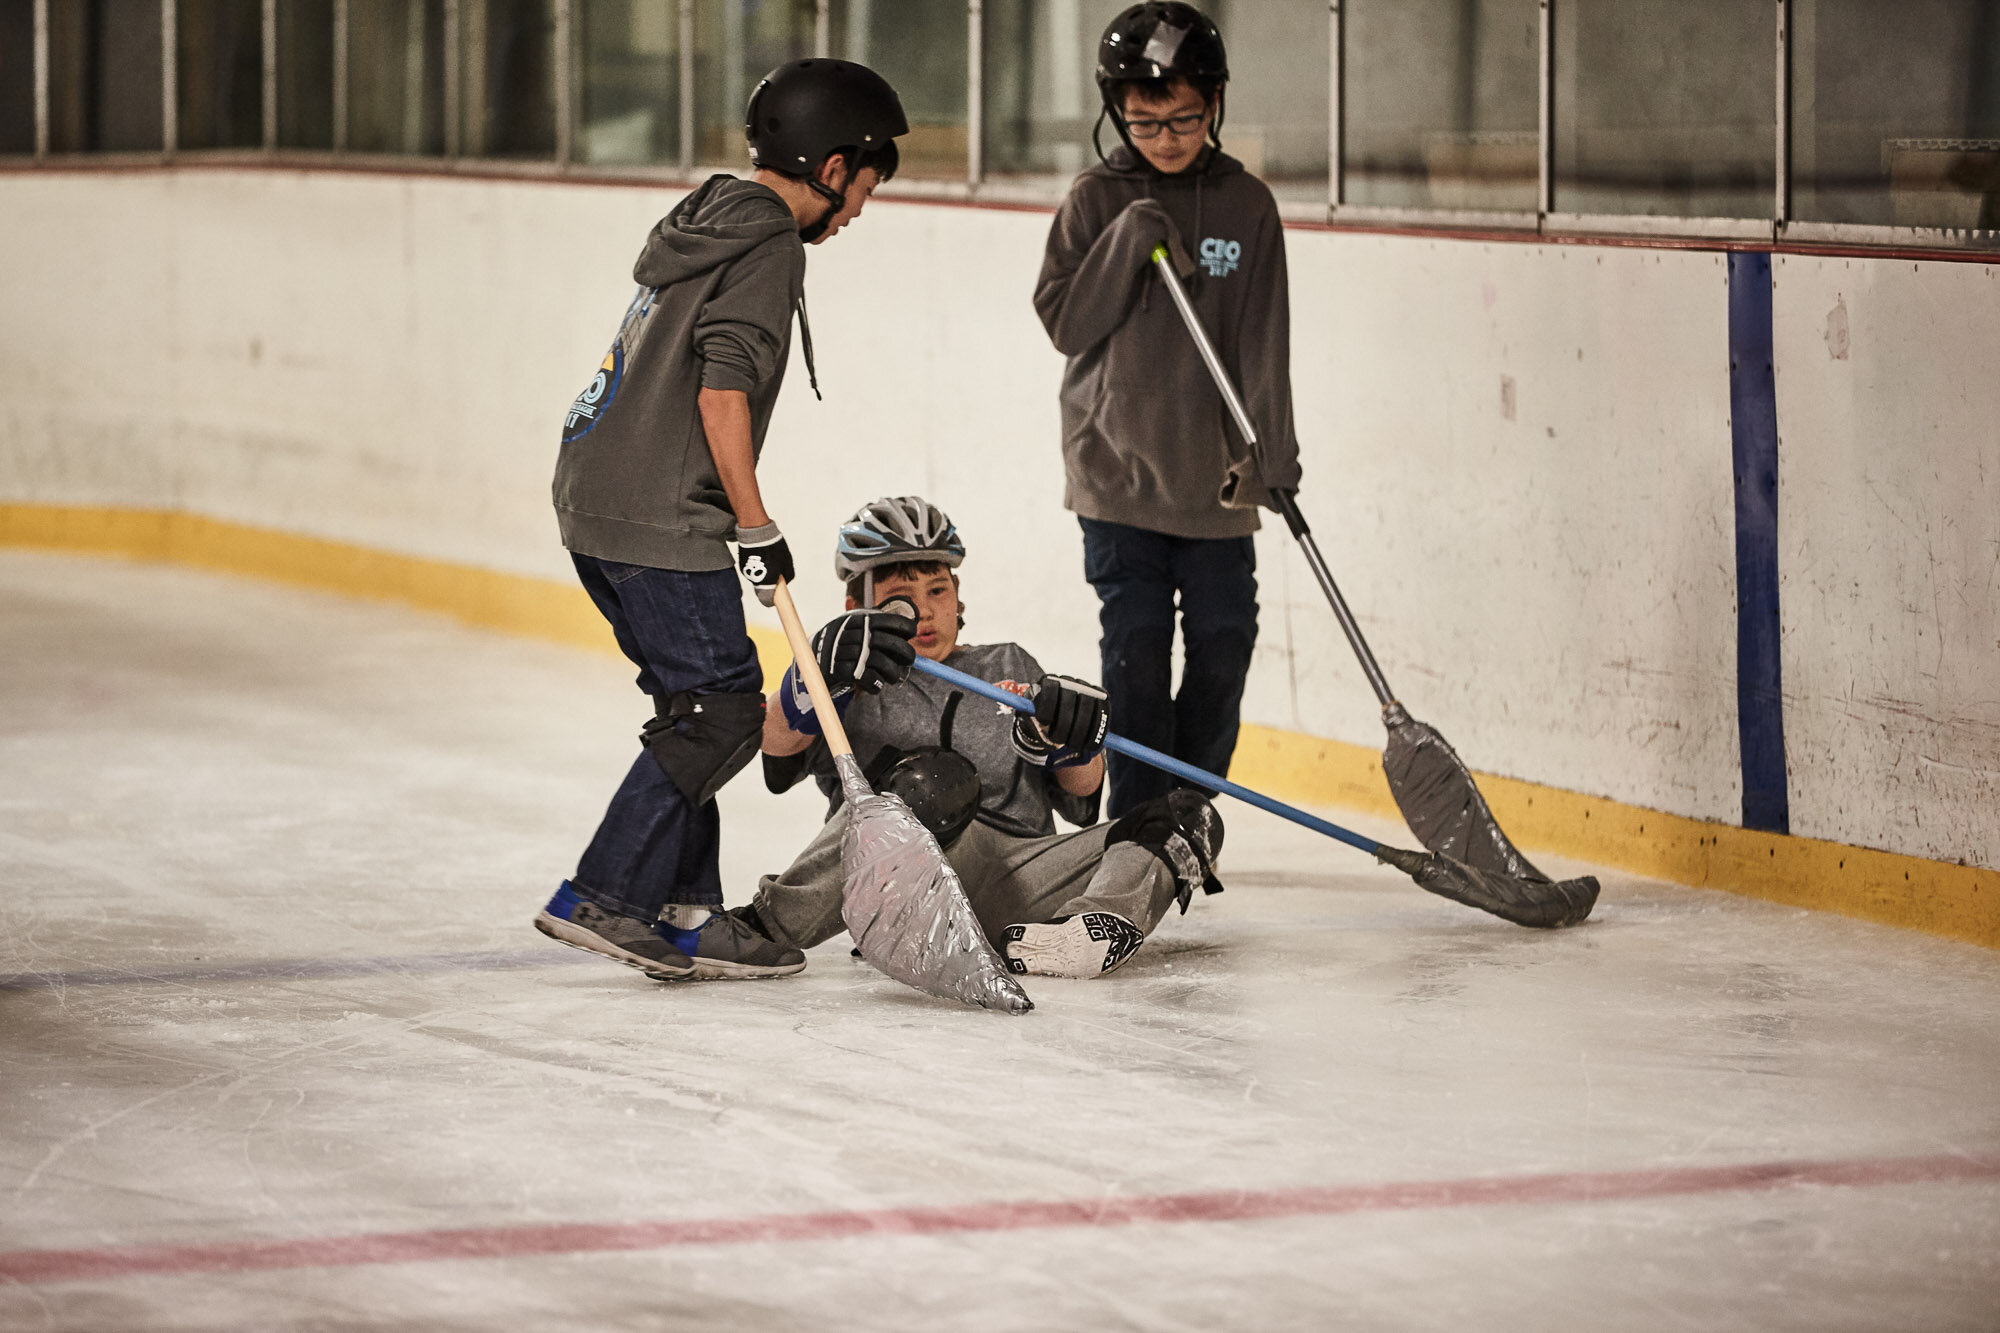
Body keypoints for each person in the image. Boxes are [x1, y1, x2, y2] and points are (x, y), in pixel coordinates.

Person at [535, 60, 909, 982]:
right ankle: (604, 894)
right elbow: (723, 389)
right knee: (724, 711)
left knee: (693, 707)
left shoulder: (710, 216)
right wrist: (755, 522)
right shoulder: (770, 241)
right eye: (863, 185)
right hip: (661, 512)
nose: (860, 209)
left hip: (595, 496)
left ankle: (689, 912)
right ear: (830, 166)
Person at [730, 496, 1225, 979]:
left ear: (958, 597)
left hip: (1021, 878)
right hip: (906, 886)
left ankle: (1077, 934)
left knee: (1188, 817)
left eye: (938, 591)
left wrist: (1071, 740)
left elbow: (1082, 795)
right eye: (899, 596)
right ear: (855, 605)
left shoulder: (1007, 666)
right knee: (933, 782)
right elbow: (777, 753)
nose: (923, 612)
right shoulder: (845, 683)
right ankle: (768, 926)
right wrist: (813, 675)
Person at [1033, 2, 1303, 820]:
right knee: (1137, 658)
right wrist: (1131, 234)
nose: (1167, 137)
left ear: (1215, 103)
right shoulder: (1094, 198)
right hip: (1116, 471)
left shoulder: (1246, 205)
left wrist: (1275, 456)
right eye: (1146, 121)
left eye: (1186, 117)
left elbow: (1263, 340)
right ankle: (1143, 821)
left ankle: (1191, 807)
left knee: (1226, 643)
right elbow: (1064, 323)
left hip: (1217, 481)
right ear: (1116, 111)